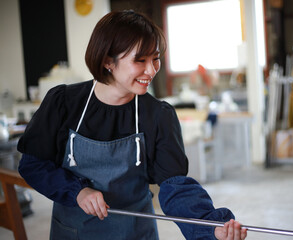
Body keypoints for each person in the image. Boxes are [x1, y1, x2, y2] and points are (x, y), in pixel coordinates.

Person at [17, 10, 247, 240]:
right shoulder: (64, 103)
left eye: (155, 58)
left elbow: (175, 185)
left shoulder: (159, 116)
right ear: (108, 61)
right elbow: (33, 164)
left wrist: (210, 225)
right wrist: (77, 191)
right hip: (73, 232)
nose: (151, 70)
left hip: (136, 233)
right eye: (140, 60)